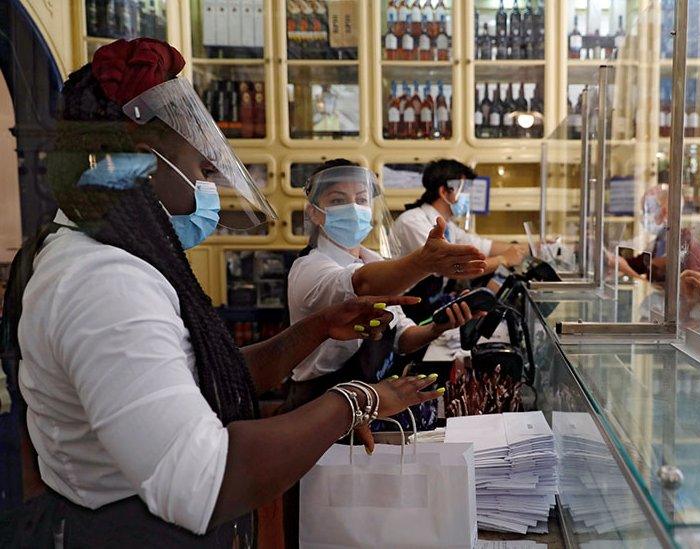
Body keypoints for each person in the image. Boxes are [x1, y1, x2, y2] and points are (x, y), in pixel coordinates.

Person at [0, 39, 439, 546]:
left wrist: (315, 329)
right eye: (202, 167)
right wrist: (357, 400)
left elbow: (204, 376)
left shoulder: (110, 255)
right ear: (144, 162)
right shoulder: (105, 283)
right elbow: (204, 483)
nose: (208, 179)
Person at [284, 158, 488, 410]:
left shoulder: (373, 260)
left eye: (361, 199)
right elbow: (363, 284)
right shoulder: (310, 268)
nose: (353, 208)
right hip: (317, 406)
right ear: (313, 212)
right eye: (337, 200)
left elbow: (401, 337)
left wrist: (438, 327)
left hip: (369, 400)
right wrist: (424, 263)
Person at [391, 159, 527, 319]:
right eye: (465, 189)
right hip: (405, 311)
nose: (469, 196)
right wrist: (503, 259)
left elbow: (484, 246)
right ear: (444, 192)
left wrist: (534, 247)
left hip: (428, 304)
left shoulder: (449, 227)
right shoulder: (413, 222)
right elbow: (452, 267)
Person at [618, 184, 700, 296]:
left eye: (646, 212)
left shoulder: (687, 246)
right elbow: (639, 265)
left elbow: (690, 293)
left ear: (663, 211)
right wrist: (614, 260)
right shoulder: (661, 240)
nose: (644, 218)